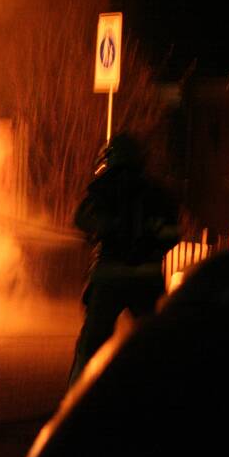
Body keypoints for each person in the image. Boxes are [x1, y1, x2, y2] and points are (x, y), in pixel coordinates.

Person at [67, 132, 180, 386]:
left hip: (109, 276)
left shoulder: (103, 187)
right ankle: (163, 394)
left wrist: (105, 229)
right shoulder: (158, 194)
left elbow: (81, 219)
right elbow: (172, 235)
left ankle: (78, 395)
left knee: (91, 345)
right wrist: (149, 242)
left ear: (111, 157)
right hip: (147, 279)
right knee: (154, 342)